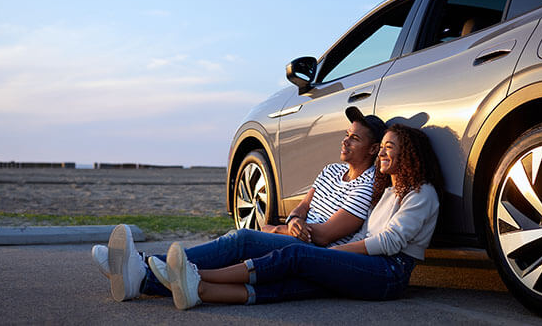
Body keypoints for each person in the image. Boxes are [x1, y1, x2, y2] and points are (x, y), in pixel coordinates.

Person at [95, 106, 388, 301]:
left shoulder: (368, 184)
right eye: (346, 135)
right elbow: (303, 206)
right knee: (237, 248)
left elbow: (324, 235)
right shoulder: (330, 170)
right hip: (299, 238)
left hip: (318, 253)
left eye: (355, 139)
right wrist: (293, 220)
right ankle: (143, 274)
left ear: (373, 149)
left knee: (241, 240)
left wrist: (277, 230)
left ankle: (142, 266)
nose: (345, 142)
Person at [162, 123, 444, 309]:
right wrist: (334, 256)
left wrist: (335, 253)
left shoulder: (422, 193)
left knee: (297, 256)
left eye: (389, 147)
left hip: (389, 273)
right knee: (298, 283)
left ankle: (196, 274)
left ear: (408, 154)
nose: (382, 153)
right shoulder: (388, 192)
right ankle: (198, 291)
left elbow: (390, 243)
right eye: (381, 147)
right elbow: (365, 235)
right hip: (371, 264)